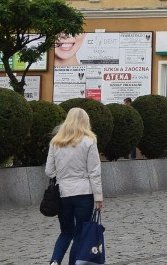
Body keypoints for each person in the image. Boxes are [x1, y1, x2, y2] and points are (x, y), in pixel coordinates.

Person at [45, 107, 103, 265]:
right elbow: (94, 172)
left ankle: (55, 261)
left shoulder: (56, 142)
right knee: (80, 235)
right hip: (84, 193)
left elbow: (49, 171)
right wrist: (99, 197)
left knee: (65, 232)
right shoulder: (89, 141)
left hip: (63, 193)